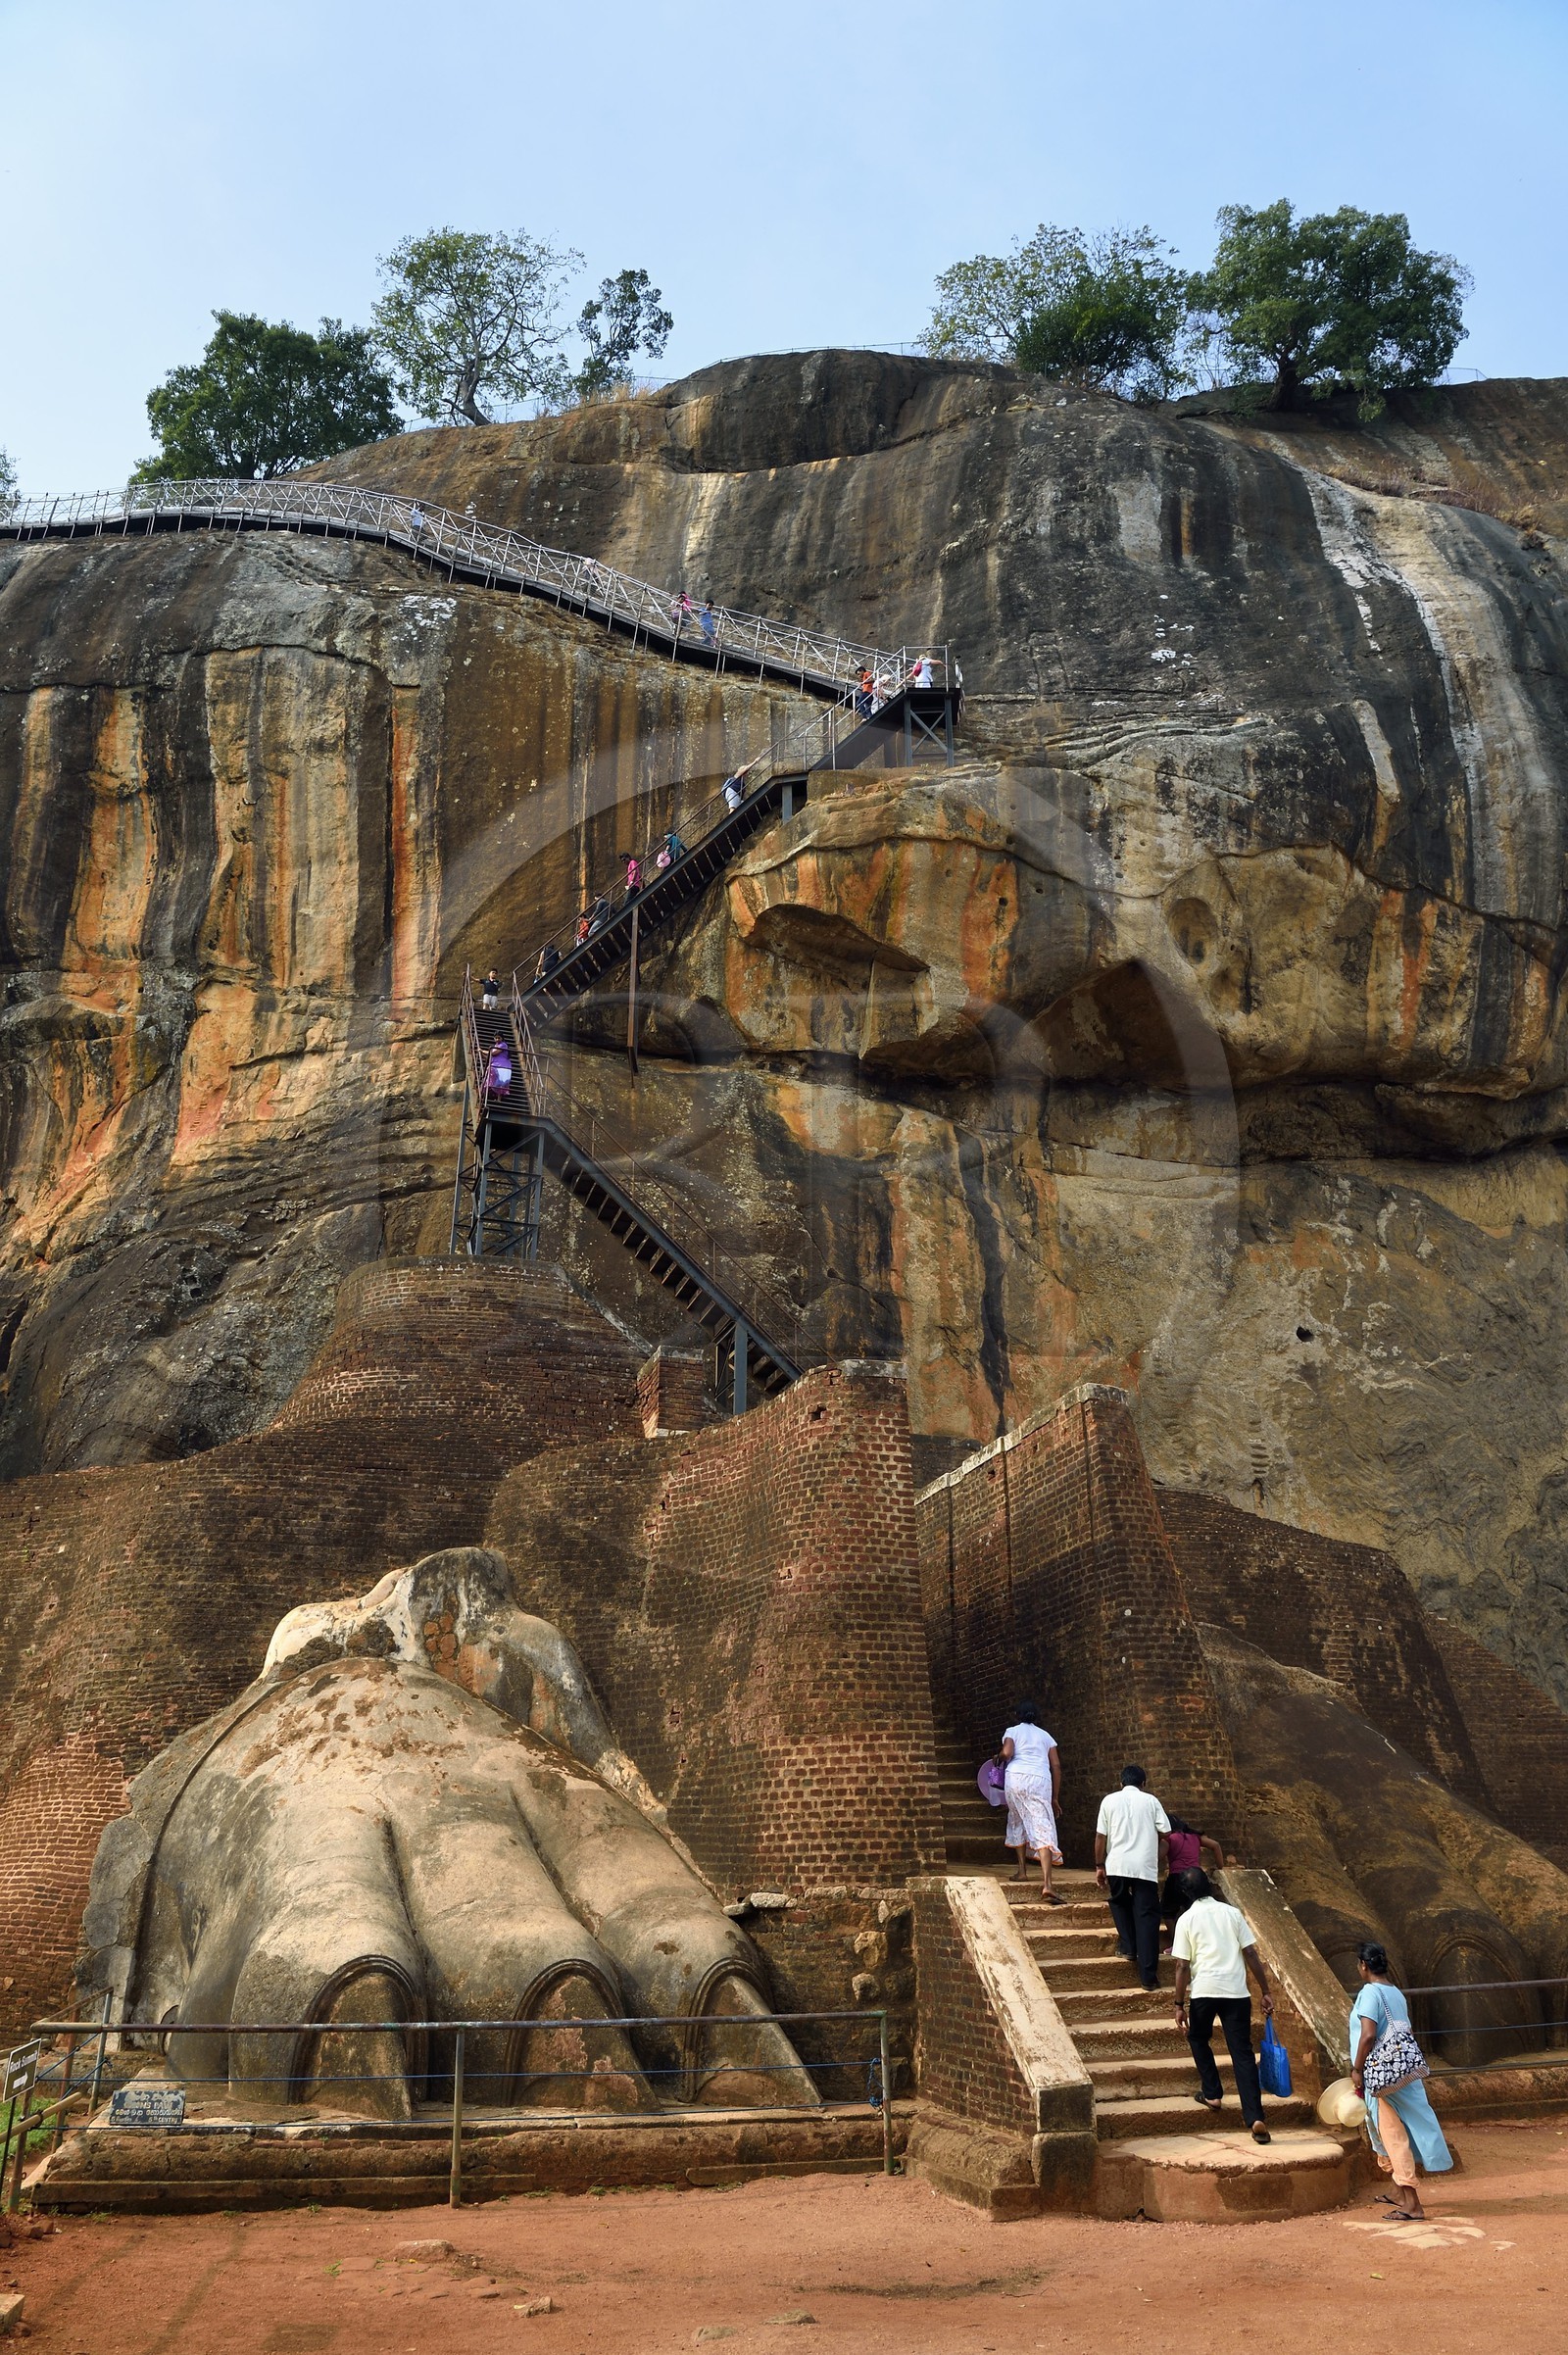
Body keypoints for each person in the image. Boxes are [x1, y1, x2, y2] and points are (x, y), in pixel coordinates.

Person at [1172, 1868, 1275, 2144]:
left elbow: (1182, 1965)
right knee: (1242, 2053)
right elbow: (1250, 1952)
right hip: (1236, 1992)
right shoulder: (1231, 1913)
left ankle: (1212, 2093)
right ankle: (1254, 2117)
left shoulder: (1186, 1919)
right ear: (1209, 1886)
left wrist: (1179, 2003)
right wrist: (1265, 1991)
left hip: (1205, 1991)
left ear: (1186, 1892)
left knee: (1197, 2037)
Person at [1350, 1941, 1452, 2220]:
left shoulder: (1370, 1993)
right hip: (1404, 2070)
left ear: (1363, 1965)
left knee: (1392, 2134)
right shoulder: (1394, 1993)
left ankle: (1412, 2203)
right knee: (1407, 2124)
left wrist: (1357, 2068)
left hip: (1383, 2076)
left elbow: (1368, 2034)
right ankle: (1398, 2190)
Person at [1095, 1765, 1170, 1990]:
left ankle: (1128, 1946)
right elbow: (1166, 1832)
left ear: (1121, 1783)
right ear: (1143, 1784)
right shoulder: (1151, 1801)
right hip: (1144, 1868)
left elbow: (1100, 1836)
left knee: (1119, 1901)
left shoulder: (1108, 1801)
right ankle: (1148, 1977)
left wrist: (1099, 1865)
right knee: (1147, 1918)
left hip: (1116, 1864)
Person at [1000, 1706, 1063, 1901]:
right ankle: (1047, 1884)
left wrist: (999, 1756)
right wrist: (1055, 1797)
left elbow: (1008, 1752)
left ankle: (1022, 1871)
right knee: (1041, 1825)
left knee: (1017, 1819)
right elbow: (1056, 1766)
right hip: (1040, 1780)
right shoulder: (1046, 1736)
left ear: (1017, 1714)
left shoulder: (1012, 1731)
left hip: (1016, 1778)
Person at [1161, 1816, 1228, 1944]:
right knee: (1197, 1909)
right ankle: (1200, 1942)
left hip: (1177, 1876)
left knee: (1168, 1912)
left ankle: (1178, 1944)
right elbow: (1216, 1845)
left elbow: (1159, 1855)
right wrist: (1220, 1866)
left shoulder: (1169, 1839)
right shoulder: (1195, 1837)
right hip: (1197, 1875)